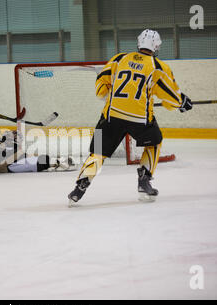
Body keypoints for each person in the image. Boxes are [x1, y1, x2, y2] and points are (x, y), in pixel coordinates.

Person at [68, 29, 193, 204]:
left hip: (110, 115)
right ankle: (144, 179)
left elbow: (100, 89)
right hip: (140, 119)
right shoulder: (158, 67)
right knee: (155, 143)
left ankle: (80, 186)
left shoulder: (119, 59)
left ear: (138, 43)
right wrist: (182, 102)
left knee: (97, 151)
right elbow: (169, 95)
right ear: (156, 47)